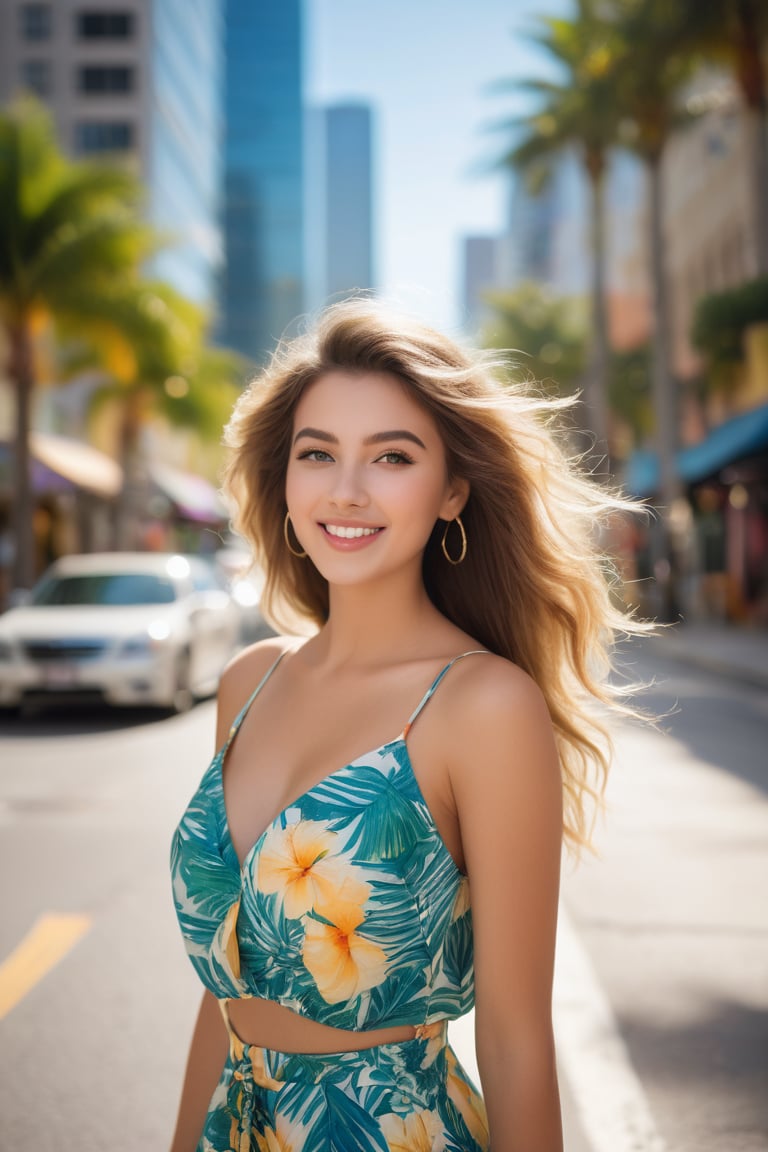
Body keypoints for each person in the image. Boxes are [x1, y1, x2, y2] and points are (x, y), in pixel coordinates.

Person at [169, 300, 644, 1151]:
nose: (346, 490)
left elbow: (514, 1040)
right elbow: (228, 994)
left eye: (392, 456)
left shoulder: (482, 707)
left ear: (453, 489)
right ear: (286, 477)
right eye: (319, 454)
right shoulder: (248, 682)